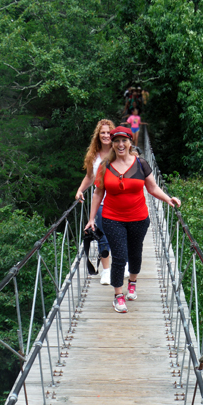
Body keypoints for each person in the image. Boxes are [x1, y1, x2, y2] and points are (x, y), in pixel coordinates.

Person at [85, 126, 181, 313]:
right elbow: (97, 193)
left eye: (124, 141)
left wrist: (168, 199)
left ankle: (133, 283)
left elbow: (152, 188)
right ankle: (118, 296)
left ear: (130, 143)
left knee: (135, 254)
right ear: (112, 144)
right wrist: (91, 220)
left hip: (138, 217)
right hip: (112, 218)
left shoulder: (142, 164)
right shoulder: (105, 166)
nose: (120, 145)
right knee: (119, 256)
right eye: (116, 141)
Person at [75, 119, 115, 285]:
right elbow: (90, 177)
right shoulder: (94, 155)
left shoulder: (119, 150)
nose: (105, 135)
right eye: (102, 133)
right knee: (102, 237)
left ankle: (123, 263)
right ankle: (106, 271)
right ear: (98, 135)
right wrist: (80, 190)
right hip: (100, 202)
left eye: (108, 132)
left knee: (120, 235)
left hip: (119, 201)